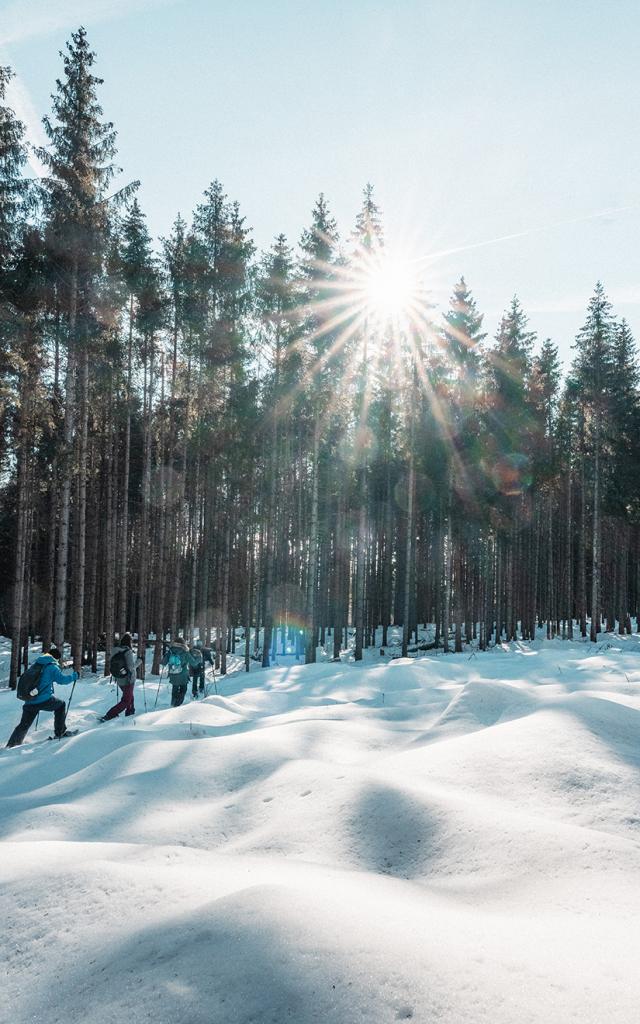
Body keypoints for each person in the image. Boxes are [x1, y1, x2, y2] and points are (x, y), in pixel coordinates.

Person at [6, 646, 78, 747]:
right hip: (43, 700)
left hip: (30, 700)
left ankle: (11, 744)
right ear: (56, 658)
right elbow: (62, 680)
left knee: (24, 724)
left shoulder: (37, 664)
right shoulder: (52, 667)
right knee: (61, 705)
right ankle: (60, 732)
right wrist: (75, 676)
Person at [99, 632, 136, 721]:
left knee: (130, 697)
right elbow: (131, 667)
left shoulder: (115, 651)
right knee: (126, 700)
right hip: (128, 680)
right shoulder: (128, 652)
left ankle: (130, 714)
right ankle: (110, 715)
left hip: (119, 679)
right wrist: (139, 661)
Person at [162, 637, 190, 707]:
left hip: (173, 674)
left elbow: (163, 662)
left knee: (174, 689)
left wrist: (165, 656)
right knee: (183, 689)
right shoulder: (185, 652)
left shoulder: (170, 651)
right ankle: (177, 705)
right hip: (183, 675)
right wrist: (199, 658)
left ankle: (173, 704)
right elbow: (193, 662)